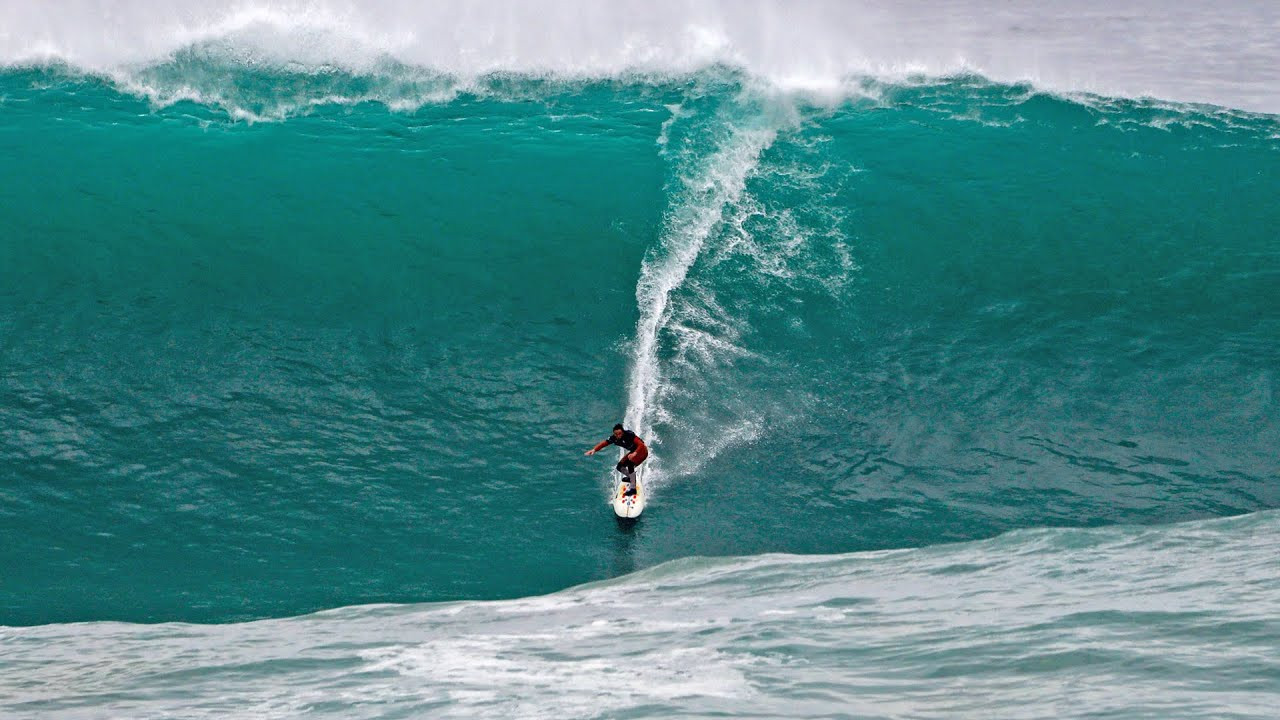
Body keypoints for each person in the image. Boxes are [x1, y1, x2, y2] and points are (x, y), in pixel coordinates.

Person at [585, 423, 648, 495]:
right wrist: (594, 450)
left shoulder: (629, 435)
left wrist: (634, 453)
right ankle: (631, 477)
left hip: (642, 452)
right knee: (620, 467)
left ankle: (633, 489)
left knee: (630, 465)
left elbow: (641, 445)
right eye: (616, 434)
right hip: (633, 452)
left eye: (620, 433)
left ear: (623, 432)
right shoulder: (614, 438)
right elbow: (604, 443)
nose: (618, 436)